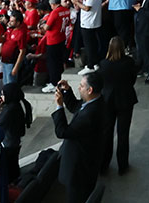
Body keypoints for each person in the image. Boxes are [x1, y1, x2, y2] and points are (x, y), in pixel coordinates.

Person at [51, 74, 105, 203]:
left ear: (90, 90)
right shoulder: (95, 100)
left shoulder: (90, 114)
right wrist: (67, 91)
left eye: (81, 86)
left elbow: (62, 131)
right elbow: (76, 107)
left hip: (79, 169)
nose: (79, 88)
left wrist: (59, 106)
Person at [98, 37, 138, 175]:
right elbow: (132, 79)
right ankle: (123, 165)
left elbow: (101, 82)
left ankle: (104, 164)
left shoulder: (104, 64)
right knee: (123, 133)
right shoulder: (129, 62)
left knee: (107, 133)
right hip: (126, 100)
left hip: (108, 101)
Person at [73, 0, 104, 73]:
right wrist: (81, 2)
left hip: (88, 22)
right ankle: (95, 63)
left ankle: (90, 65)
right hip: (94, 20)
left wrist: (77, 3)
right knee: (93, 43)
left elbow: (87, 8)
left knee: (89, 45)